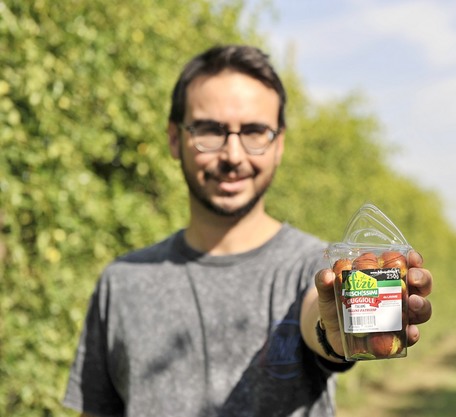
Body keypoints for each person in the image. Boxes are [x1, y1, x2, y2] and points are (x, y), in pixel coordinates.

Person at [63, 44, 433, 417]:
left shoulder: (312, 266)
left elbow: (318, 314)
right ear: (175, 138)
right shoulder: (121, 283)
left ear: (279, 144)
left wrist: (334, 329)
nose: (233, 155)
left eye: (255, 131)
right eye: (210, 130)